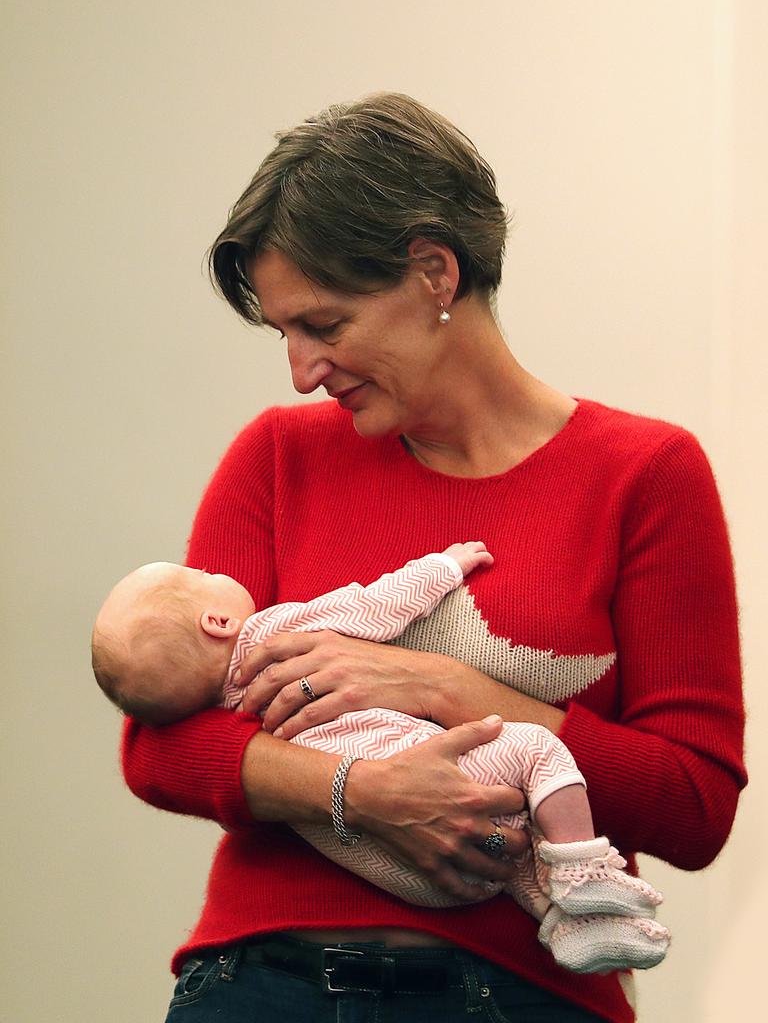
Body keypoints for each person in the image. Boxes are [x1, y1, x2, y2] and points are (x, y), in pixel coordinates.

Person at [119, 93, 746, 1022]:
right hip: (264, 989)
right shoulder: (278, 459)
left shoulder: (646, 474)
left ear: (433, 273)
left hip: (524, 997)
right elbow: (162, 744)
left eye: (323, 327)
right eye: (284, 333)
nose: (300, 371)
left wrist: (445, 691)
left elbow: (696, 805)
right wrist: (356, 794)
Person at [93, 545, 669, 976]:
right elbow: (374, 607)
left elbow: (173, 747)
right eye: (200, 576)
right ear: (217, 623)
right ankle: (579, 871)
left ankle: (564, 921)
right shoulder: (272, 632)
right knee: (537, 751)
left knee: (506, 866)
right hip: (446, 781)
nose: (213, 568)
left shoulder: (225, 713)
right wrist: (445, 566)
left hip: (405, 877)